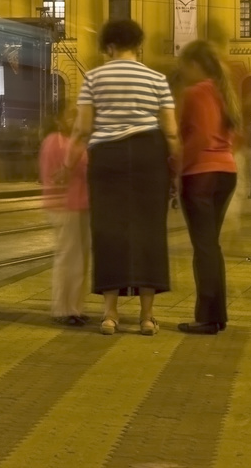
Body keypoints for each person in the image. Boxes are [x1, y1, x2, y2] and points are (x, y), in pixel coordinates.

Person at [74, 18, 178, 336]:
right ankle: (147, 317)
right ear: (138, 45)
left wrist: (66, 163)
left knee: (109, 233)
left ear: (109, 46)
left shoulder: (93, 78)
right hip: (149, 154)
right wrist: (176, 169)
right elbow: (171, 131)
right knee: (150, 233)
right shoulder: (157, 79)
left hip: (108, 157)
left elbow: (82, 127)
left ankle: (110, 315)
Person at [174, 40, 239, 334]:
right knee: (211, 246)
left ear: (196, 65)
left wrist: (176, 168)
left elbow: (199, 136)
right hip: (225, 171)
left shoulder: (197, 91)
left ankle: (207, 317)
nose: (183, 72)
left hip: (201, 174)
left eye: (185, 66)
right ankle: (216, 315)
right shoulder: (222, 91)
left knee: (204, 248)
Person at [39, 98, 90, 325]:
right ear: (59, 118)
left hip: (80, 205)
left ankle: (75, 307)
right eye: (70, 114)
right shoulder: (56, 142)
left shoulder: (73, 141)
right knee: (69, 258)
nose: (75, 118)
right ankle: (64, 309)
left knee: (80, 259)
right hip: (64, 206)